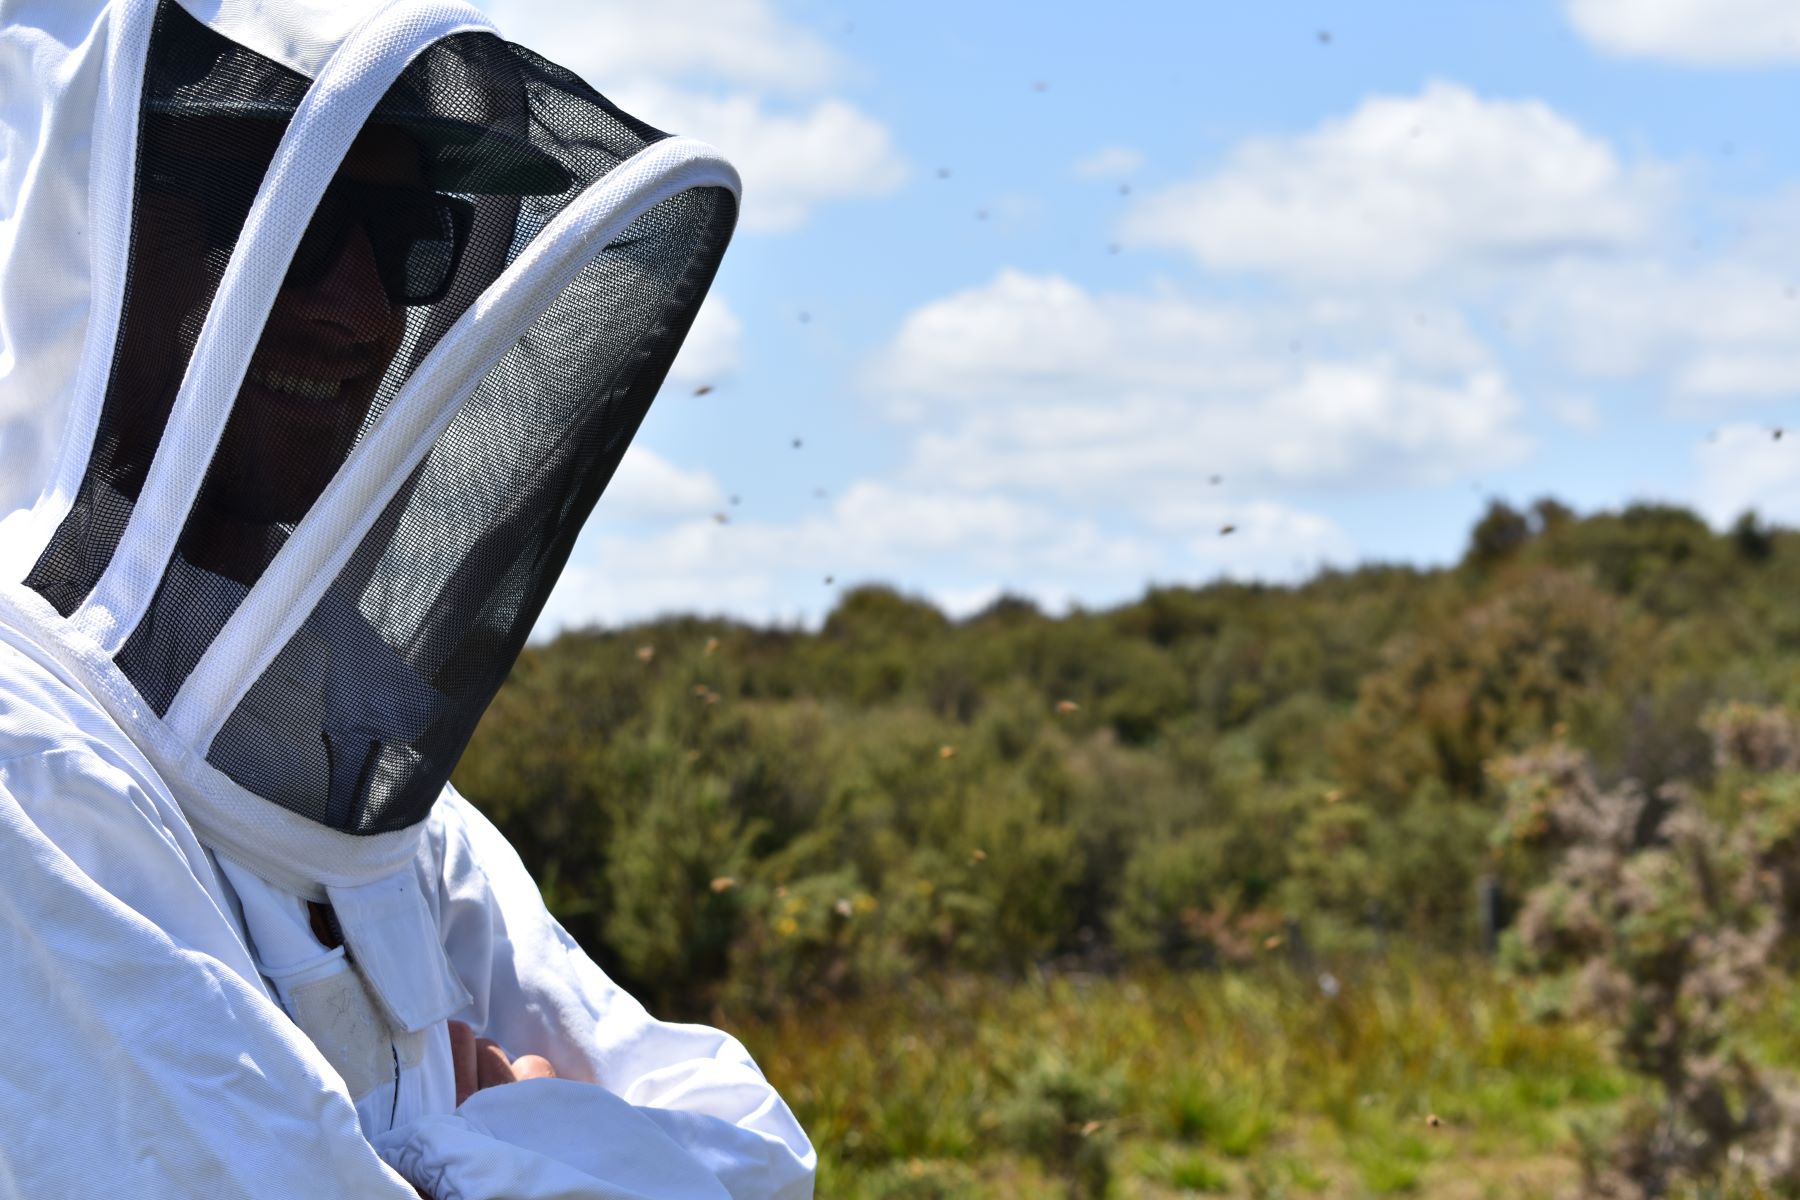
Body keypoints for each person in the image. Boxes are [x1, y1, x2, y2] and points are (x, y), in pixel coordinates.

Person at [0, 1, 814, 1197]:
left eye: (406, 236)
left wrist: (468, 1169)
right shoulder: (29, 769)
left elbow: (751, 1152)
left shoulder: (373, 795)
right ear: (75, 222)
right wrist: (531, 1139)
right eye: (285, 221)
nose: (362, 309)